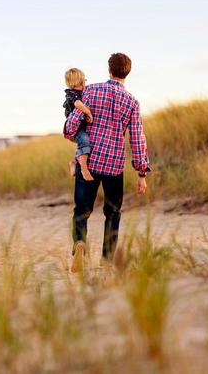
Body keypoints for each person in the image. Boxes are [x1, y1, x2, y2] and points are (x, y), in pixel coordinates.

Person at [63, 53, 151, 272]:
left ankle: (80, 243)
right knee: (112, 212)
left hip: (90, 161)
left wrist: (74, 130)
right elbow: (137, 138)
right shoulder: (132, 102)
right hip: (114, 165)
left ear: (109, 69)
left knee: (82, 210)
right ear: (127, 72)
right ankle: (108, 259)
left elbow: (70, 127)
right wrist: (141, 173)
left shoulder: (91, 91)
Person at [62, 68, 94, 181]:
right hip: (75, 128)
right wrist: (88, 112)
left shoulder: (82, 92)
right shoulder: (72, 93)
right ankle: (83, 169)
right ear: (80, 81)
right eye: (84, 80)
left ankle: (74, 164)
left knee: (84, 145)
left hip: (81, 126)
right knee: (84, 140)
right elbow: (78, 104)